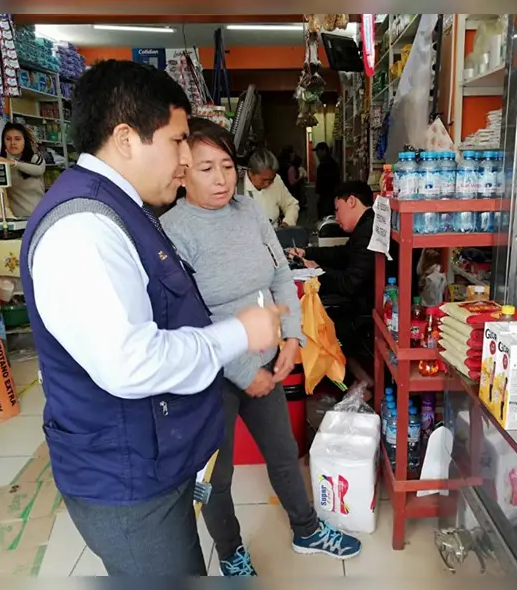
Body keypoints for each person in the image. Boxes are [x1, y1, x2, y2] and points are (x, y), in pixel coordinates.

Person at [17, 60, 286, 577]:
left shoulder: (125, 209)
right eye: (178, 141)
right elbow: (130, 363)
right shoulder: (83, 231)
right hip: (126, 480)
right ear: (125, 139)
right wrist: (238, 333)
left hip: (154, 459)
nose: (186, 160)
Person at [162, 118, 361, 577]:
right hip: (212, 375)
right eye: (206, 168)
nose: (220, 179)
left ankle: (306, 529)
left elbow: (279, 276)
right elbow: (190, 316)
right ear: (182, 171)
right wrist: (241, 370)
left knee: (284, 452)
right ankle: (230, 551)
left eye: (227, 166)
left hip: (265, 360)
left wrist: (292, 336)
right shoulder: (172, 233)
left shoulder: (249, 211)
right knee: (217, 475)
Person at [288, 181, 375, 352]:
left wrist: (317, 272)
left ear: (351, 201)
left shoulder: (368, 231)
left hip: (365, 311)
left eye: (337, 209)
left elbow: (349, 284)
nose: (336, 217)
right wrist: (307, 253)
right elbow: (342, 254)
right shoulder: (365, 226)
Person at [0, 122, 46, 217]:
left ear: (25, 141)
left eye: (17, 139)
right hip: (14, 218)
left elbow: (39, 170)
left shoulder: (34, 158)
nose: (13, 143)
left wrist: (14, 163)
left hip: (38, 215)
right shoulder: (0, 162)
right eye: (8, 139)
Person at [240, 147, 300, 228]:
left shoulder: (276, 181)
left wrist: (287, 223)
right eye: (264, 180)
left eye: (271, 179)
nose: (267, 183)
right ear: (251, 173)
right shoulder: (236, 186)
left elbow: (291, 205)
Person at [313, 142, 340, 221]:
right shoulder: (333, 164)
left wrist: (318, 195)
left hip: (325, 198)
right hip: (333, 196)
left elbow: (321, 183)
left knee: (324, 218)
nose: (316, 154)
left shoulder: (323, 165)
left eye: (318, 151)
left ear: (324, 151)